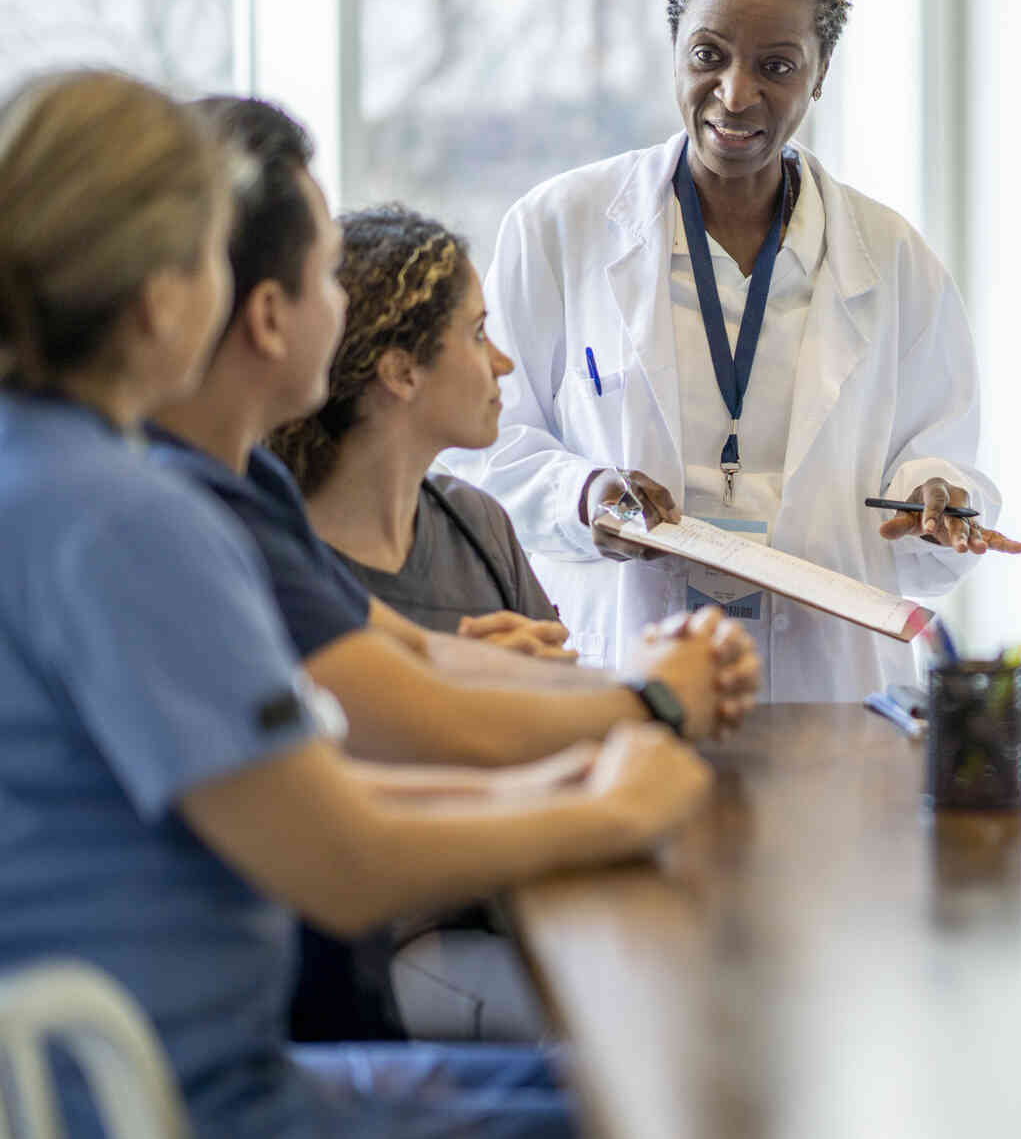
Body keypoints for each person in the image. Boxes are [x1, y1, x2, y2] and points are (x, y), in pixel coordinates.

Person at [0, 67, 716, 1137]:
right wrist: (610, 804)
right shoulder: (124, 518)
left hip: (171, 1073)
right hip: (188, 1102)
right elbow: (340, 860)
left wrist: (564, 782)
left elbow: (311, 792)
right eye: (213, 256)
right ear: (161, 300)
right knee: (670, 1103)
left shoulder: (51, 472)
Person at [450, 0, 1020, 698]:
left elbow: (940, 457)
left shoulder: (893, 259)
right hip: (623, 662)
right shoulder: (558, 228)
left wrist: (936, 497)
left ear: (820, 74)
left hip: (829, 683)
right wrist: (582, 497)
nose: (735, 93)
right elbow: (479, 449)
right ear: (674, 50)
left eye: (777, 66)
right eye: (708, 54)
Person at [155, 95, 758, 772]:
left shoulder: (252, 494)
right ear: (267, 314)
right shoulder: (171, 520)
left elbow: (417, 661)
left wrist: (565, 681)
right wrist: (654, 700)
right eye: (324, 275)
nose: (341, 306)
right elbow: (381, 772)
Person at [272, 204, 565, 649]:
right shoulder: (274, 558)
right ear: (401, 372)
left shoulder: (479, 525)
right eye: (478, 333)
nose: (503, 364)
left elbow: (569, 699)